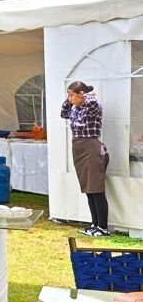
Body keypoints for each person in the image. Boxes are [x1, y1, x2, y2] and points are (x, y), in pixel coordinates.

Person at [61, 81, 109, 236]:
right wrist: (70, 99)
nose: (69, 99)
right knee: (89, 189)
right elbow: (63, 113)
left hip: (92, 149)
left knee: (97, 189)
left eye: (71, 95)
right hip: (79, 150)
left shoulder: (93, 108)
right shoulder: (75, 110)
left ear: (81, 95)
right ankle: (94, 224)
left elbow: (93, 103)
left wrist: (86, 95)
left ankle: (103, 227)